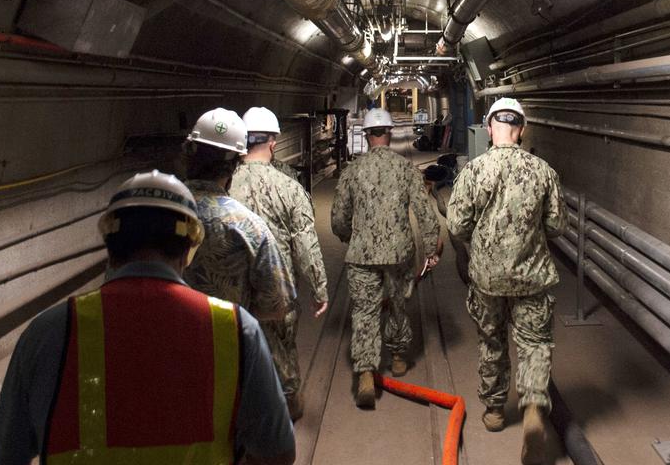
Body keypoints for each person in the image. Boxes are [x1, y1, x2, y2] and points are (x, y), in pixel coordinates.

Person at [0, 171, 295, 465]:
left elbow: (7, 454)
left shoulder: (48, 331)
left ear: (110, 248)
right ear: (188, 249)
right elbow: (277, 452)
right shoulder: (236, 329)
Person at [446, 97, 567, 465]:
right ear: (522, 129)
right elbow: (556, 226)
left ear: (489, 128)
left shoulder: (474, 171)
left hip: (487, 280)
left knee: (492, 341)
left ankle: (496, 411)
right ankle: (532, 409)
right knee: (534, 345)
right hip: (533, 277)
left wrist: (481, 243)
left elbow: (455, 225)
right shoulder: (543, 171)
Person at [330, 108, 441, 408]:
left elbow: (339, 218)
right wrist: (431, 250)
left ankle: (366, 371)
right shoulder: (405, 169)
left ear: (366, 136)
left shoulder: (352, 171)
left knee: (364, 313)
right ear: (389, 134)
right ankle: (398, 357)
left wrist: (348, 237)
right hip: (399, 253)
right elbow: (424, 211)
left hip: (362, 255)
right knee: (398, 304)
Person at [230, 106, 329, 421]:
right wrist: (319, 288)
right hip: (278, 290)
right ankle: (288, 408)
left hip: (231, 293)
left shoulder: (224, 184)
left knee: (235, 352)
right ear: (273, 142)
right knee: (282, 349)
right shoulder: (289, 187)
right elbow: (305, 244)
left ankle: (241, 412)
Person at [182, 108, 294, 321]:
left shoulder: (155, 213)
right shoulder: (248, 226)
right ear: (235, 163)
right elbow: (278, 305)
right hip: (224, 345)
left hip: (165, 348)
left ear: (189, 153)